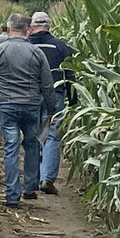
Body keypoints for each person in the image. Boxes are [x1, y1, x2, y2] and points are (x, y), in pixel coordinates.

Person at [0, 13, 56, 207]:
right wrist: (51, 109)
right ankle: (30, 188)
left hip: (7, 105)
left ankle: (12, 194)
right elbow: (47, 83)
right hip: (31, 104)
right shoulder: (36, 52)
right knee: (32, 145)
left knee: (11, 147)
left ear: (8, 28)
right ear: (27, 29)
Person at [28, 10, 75, 195]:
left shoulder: (27, 46)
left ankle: (33, 177)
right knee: (52, 136)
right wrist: (73, 99)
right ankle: (47, 178)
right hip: (55, 95)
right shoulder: (60, 46)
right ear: (48, 26)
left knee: (33, 136)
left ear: (32, 27)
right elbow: (70, 73)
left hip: (30, 96)